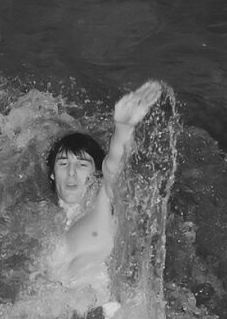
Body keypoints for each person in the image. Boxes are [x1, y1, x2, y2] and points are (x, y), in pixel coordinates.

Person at [46, 80, 162, 292]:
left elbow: (113, 169)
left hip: (107, 316)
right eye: (63, 164)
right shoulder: (41, 224)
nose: (71, 172)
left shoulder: (103, 206)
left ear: (95, 174)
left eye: (82, 164)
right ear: (53, 174)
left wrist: (123, 129)